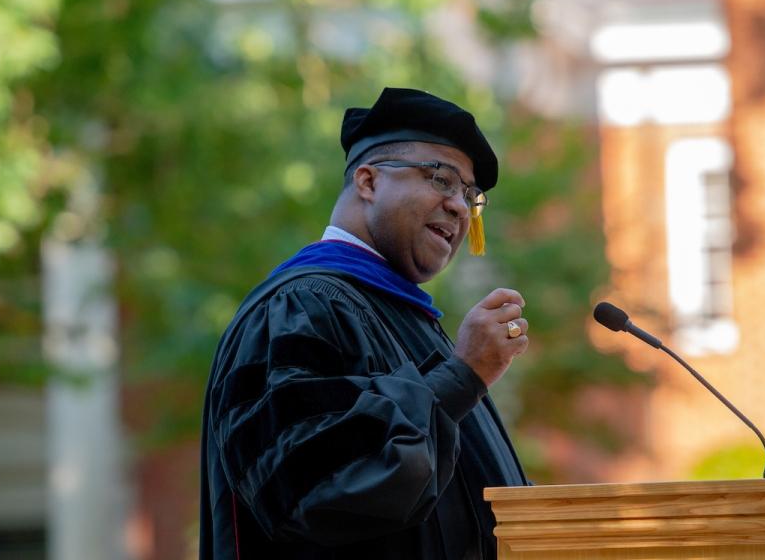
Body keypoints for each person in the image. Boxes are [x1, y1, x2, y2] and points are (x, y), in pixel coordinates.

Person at [199, 87, 530, 560]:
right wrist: (462, 376)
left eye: (470, 195)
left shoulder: (404, 318)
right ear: (369, 182)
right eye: (441, 179)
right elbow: (314, 489)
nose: (460, 206)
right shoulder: (302, 307)